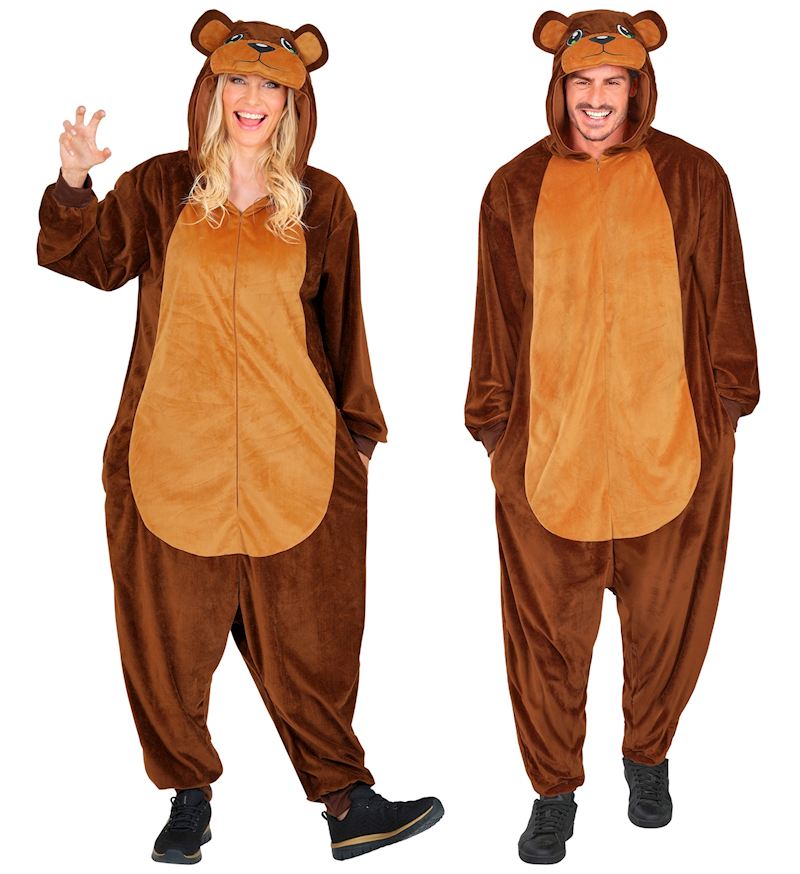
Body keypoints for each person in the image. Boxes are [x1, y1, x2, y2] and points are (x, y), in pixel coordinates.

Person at [37, 9, 443, 865]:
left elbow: (344, 325)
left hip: (296, 456)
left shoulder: (323, 200)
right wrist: (74, 184)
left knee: (313, 639)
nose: (252, 97)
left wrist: (357, 438)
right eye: (237, 81)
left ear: (294, 101)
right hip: (169, 456)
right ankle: (189, 796)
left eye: (270, 85)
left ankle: (347, 801)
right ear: (211, 89)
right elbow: (89, 261)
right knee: (166, 639)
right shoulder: (161, 187)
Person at [464, 8, 758, 865]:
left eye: (613, 82)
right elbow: (496, 316)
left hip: (671, 449)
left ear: (638, 86)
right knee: (546, 639)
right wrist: (495, 428)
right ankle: (554, 790)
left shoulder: (694, 176)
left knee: (665, 626)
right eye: (581, 83)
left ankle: (647, 757)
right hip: (546, 456)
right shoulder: (513, 187)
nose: (596, 98)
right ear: (559, 87)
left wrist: (726, 410)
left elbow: (726, 298)